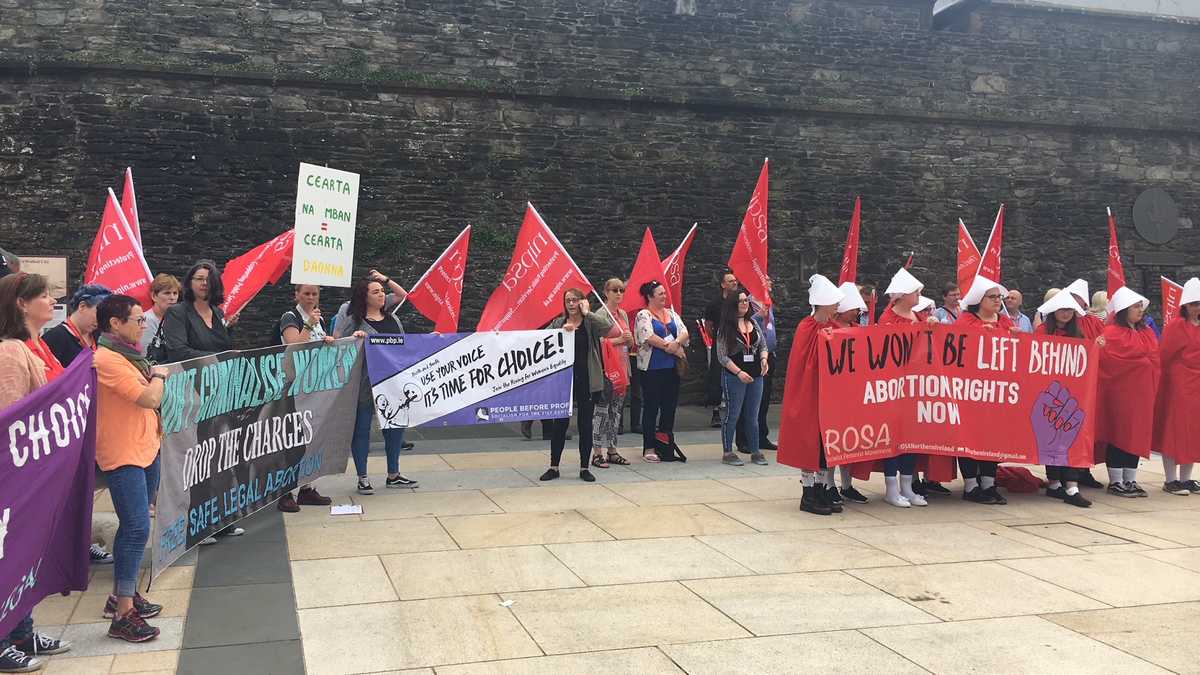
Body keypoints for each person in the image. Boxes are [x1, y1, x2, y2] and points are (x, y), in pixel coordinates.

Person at [0, 272, 72, 672]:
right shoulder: (11, 352)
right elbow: (12, 416)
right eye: (43, 295)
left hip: (37, 469)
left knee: (28, 554)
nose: (51, 300)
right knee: (10, 555)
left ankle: (23, 631)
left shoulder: (36, 345)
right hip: (17, 473)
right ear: (21, 304)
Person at [92, 295, 167, 642]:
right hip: (122, 453)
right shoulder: (107, 359)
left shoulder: (129, 356)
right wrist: (160, 377)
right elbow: (150, 398)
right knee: (136, 527)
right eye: (137, 320)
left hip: (145, 446)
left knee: (133, 528)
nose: (142, 325)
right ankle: (123, 614)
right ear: (114, 325)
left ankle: (123, 593)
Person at [162, 260, 245, 545]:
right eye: (198, 278)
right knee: (196, 458)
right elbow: (177, 350)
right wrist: (217, 359)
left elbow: (222, 347)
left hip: (217, 394)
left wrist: (229, 338)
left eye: (208, 279)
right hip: (189, 396)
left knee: (220, 456)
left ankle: (220, 520)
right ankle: (194, 525)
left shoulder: (217, 313)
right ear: (189, 282)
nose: (203, 284)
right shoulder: (177, 313)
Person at [334, 270, 418, 494]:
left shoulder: (393, 319)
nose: (382, 295)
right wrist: (354, 340)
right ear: (365, 297)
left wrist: (432, 340)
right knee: (361, 429)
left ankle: (394, 473)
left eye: (382, 291)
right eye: (376, 292)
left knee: (394, 428)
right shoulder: (355, 321)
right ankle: (362, 477)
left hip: (391, 384)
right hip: (363, 384)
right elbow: (339, 347)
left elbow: (404, 347)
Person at [777, 274, 844, 515]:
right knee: (809, 443)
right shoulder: (807, 327)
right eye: (834, 302)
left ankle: (821, 487)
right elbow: (805, 362)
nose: (838, 306)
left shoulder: (833, 327)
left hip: (829, 397)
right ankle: (808, 492)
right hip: (810, 394)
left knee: (826, 446)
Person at [875, 268, 940, 507]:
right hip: (895, 386)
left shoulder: (919, 317)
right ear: (902, 295)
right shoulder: (887, 319)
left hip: (917, 386)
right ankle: (892, 488)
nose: (919, 295)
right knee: (894, 437)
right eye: (916, 292)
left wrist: (933, 325)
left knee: (911, 436)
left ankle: (907, 486)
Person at [956, 275, 1017, 504]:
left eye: (999, 297)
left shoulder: (1004, 321)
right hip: (970, 390)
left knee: (992, 436)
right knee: (969, 435)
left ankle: (989, 483)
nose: (997, 301)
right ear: (979, 300)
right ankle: (971, 485)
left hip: (997, 391)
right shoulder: (966, 320)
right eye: (992, 297)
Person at [541, 289, 614, 481]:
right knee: (560, 425)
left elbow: (609, 328)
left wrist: (588, 312)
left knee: (585, 424)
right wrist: (560, 332)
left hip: (587, 380)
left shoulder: (589, 323)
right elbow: (540, 340)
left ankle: (584, 468)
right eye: (568, 301)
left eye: (575, 300)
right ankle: (554, 467)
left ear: (582, 302)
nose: (571, 304)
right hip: (564, 382)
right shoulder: (558, 323)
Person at [276, 285, 336, 512]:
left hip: (313, 387)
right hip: (293, 388)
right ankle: (284, 492)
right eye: (306, 294)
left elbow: (315, 345)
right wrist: (310, 323)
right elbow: (294, 346)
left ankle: (307, 488)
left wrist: (329, 341)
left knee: (311, 437)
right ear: (297, 295)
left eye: (314, 294)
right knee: (291, 441)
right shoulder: (290, 317)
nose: (311, 297)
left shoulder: (319, 318)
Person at [1033, 290, 1095, 508]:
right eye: (1062, 309)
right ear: (1053, 311)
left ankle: (1071, 486)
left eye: (1069, 310)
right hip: (1049, 394)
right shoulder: (1042, 331)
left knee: (1070, 438)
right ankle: (1054, 482)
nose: (1066, 313)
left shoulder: (1078, 334)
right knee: (1051, 437)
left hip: (1072, 395)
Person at [1096, 286, 1159, 497]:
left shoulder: (1146, 332)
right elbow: (1108, 361)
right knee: (1119, 434)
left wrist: (1143, 364)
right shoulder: (1112, 333)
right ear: (1124, 310)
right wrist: (1140, 363)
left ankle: (1131, 480)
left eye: (1141, 306)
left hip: (1143, 392)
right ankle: (1116, 481)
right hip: (1121, 394)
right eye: (1135, 306)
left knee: (1137, 434)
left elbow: (1154, 357)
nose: (1140, 310)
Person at [1154, 277, 1200, 496]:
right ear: (1185, 306)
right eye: (1194, 304)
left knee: (1193, 432)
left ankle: (1186, 478)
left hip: (1197, 384)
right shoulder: (1176, 326)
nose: (1197, 308)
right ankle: (1171, 479)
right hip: (1179, 383)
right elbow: (1165, 355)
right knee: (1174, 430)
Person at [635, 281, 689, 463]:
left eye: (664, 293)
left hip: (671, 369)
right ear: (650, 297)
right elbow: (648, 336)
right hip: (652, 370)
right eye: (660, 294)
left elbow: (684, 332)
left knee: (669, 407)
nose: (664, 296)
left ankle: (665, 444)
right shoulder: (644, 315)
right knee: (651, 407)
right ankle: (649, 447)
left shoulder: (672, 313)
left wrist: (676, 343)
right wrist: (671, 347)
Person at [716, 289, 770, 467]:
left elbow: (762, 344)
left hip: (755, 374)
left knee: (753, 415)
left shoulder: (753, 322)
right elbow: (722, 356)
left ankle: (755, 451)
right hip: (735, 375)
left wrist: (764, 359)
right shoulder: (726, 327)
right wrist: (739, 372)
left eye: (746, 301)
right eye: (741, 301)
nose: (745, 303)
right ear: (733, 305)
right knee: (733, 414)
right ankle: (728, 452)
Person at [828, 281, 869, 503]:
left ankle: (847, 485)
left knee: (850, 442)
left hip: (854, 392)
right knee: (833, 442)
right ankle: (829, 484)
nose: (857, 312)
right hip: (836, 395)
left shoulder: (856, 328)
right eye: (854, 308)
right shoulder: (830, 329)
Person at [591, 279, 633, 468]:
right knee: (601, 411)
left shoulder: (622, 314)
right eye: (614, 290)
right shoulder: (601, 314)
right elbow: (598, 342)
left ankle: (612, 449)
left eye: (621, 290)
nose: (618, 294)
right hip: (607, 369)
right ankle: (597, 451)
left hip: (622, 367)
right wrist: (618, 340)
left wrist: (629, 340)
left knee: (615, 412)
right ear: (606, 292)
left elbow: (629, 341)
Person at [736, 277, 778, 452]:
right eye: (765, 280)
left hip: (768, 355)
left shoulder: (768, 303)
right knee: (748, 400)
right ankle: (743, 438)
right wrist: (758, 315)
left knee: (764, 399)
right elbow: (741, 323)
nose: (770, 283)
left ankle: (761, 435)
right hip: (750, 356)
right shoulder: (747, 302)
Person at [42, 283, 111, 367]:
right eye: (99, 314)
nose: (101, 320)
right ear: (82, 306)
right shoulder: (55, 337)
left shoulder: (99, 335)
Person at [704, 270, 739, 428]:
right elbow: (708, 325)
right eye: (730, 281)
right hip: (720, 342)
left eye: (735, 281)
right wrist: (717, 338)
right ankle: (716, 411)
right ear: (723, 284)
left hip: (737, 343)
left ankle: (736, 411)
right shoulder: (714, 304)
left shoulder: (740, 302)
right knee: (717, 376)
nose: (734, 283)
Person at [139, 273, 180, 355]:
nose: (172, 297)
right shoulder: (146, 321)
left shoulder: (178, 319)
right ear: (154, 296)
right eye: (167, 293)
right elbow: (144, 354)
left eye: (175, 293)